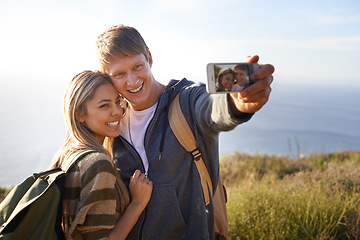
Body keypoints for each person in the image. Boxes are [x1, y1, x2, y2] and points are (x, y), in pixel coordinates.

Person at [96, 24, 274, 240]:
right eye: (120, 74)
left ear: (150, 58)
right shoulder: (112, 123)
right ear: (106, 77)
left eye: (137, 67)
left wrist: (237, 105)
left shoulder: (186, 101)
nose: (132, 81)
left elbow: (212, 109)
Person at [50, 70, 153, 240]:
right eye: (104, 105)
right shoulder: (98, 163)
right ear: (80, 114)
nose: (117, 112)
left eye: (118, 102)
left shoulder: (68, 154)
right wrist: (138, 203)